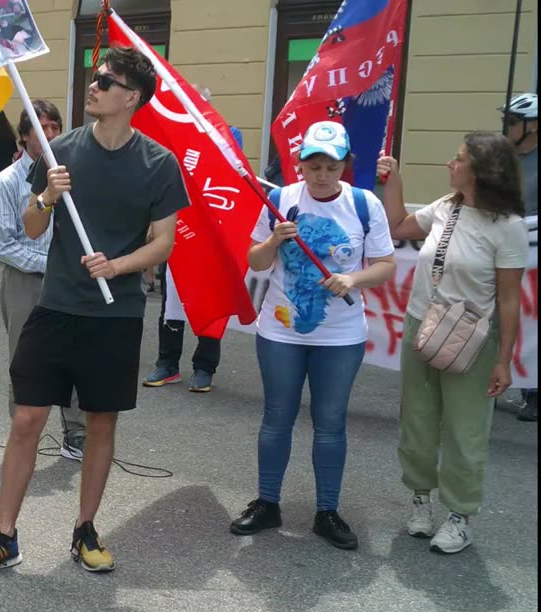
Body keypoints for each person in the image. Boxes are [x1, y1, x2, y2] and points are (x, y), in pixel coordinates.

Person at [0, 46, 189, 579]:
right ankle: (5, 537)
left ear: (131, 96)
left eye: (105, 81)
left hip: (115, 314)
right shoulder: (59, 150)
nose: (94, 85)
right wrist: (46, 196)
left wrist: (119, 265)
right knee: (27, 420)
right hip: (56, 306)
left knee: (99, 424)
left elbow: (164, 243)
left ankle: (85, 529)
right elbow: (32, 228)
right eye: (95, 76)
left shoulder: (158, 163)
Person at [228, 121, 396, 551]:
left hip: (340, 335)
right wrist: (274, 242)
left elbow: (384, 265)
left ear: (345, 166)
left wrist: (352, 279)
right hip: (281, 329)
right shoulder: (281, 200)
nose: (321, 175)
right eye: (314, 165)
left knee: (330, 423)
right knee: (276, 417)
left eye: (331, 167)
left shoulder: (364, 204)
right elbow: (257, 260)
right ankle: (267, 504)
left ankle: (327, 510)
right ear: (300, 164)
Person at [377, 133, 528, 555]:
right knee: (418, 420)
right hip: (420, 326)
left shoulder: (508, 226)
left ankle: (460, 516)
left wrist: (504, 360)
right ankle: (421, 501)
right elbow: (398, 228)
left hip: (472, 337)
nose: (450, 164)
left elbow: (510, 298)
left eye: (458, 159)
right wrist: (395, 181)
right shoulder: (446, 207)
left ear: (481, 171)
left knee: (465, 429)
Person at [0, 99, 87, 461]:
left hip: (69, 282)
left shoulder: (66, 173)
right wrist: (51, 264)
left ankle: (75, 432)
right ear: (25, 135)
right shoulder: (8, 180)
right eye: (41, 128)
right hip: (26, 281)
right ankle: (23, 432)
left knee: (74, 355)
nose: (49, 135)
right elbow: (2, 243)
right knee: (26, 360)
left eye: (54, 127)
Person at [143, 86, 241, 395]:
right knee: (172, 297)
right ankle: (167, 363)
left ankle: (204, 367)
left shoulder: (228, 134)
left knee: (209, 297)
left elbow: (233, 174)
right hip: (178, 226)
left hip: (212, 230)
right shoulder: (171, 138)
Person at [499, 92, 538, 422]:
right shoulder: (502, 159)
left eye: (512, 122)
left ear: (533, 127)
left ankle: (533, 392)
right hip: (506, 248)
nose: (506, 128)